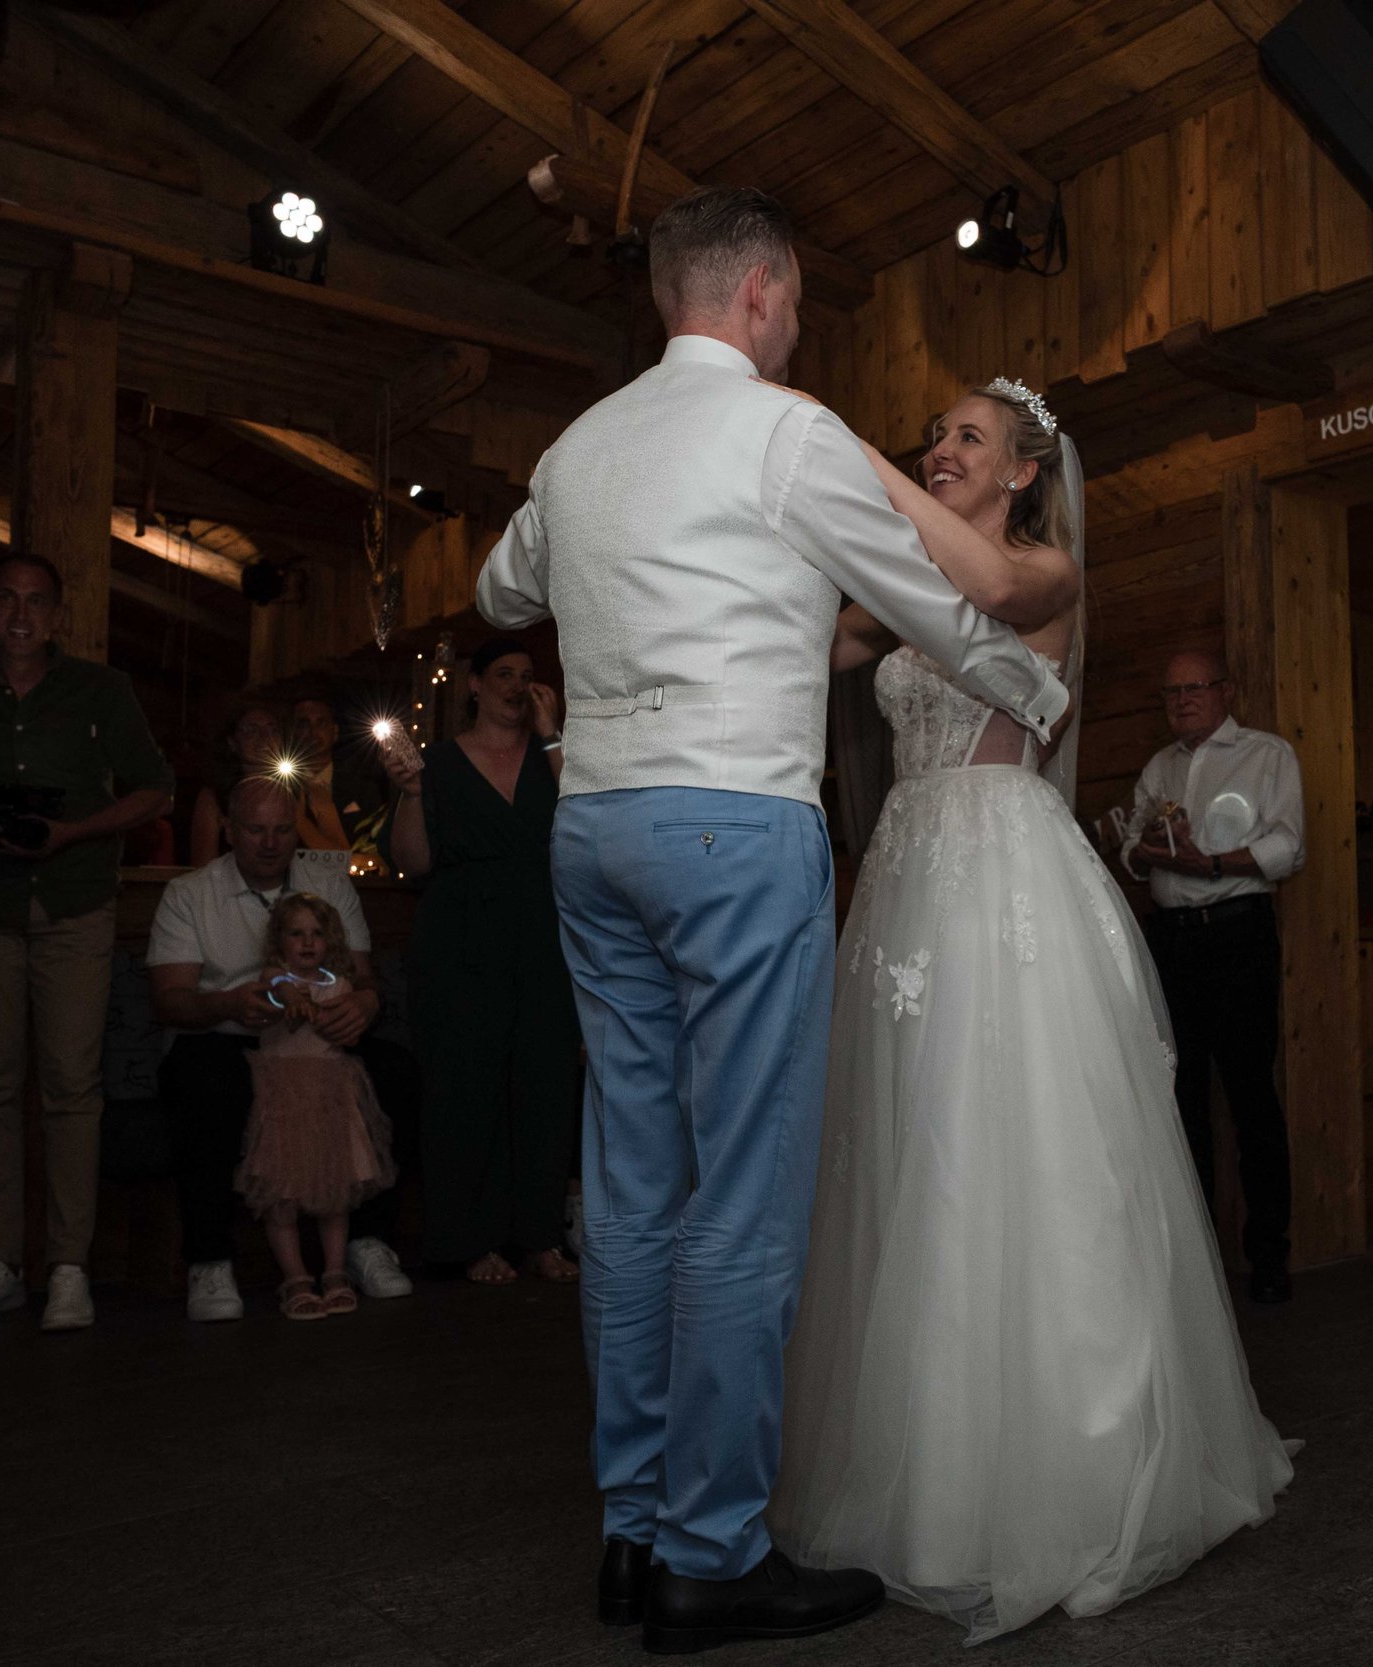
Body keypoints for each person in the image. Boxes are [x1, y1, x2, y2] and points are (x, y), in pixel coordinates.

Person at [473, 185, 1068, 1652]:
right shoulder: (783, 430)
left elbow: (501, 587)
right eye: (794, 301)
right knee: (743, 1191)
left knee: (627, 1185)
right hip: (733, 822)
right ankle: (713, 1553)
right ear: (757, 294)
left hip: (594, 827)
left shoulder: (580, 443)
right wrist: (1036, 689)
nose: (795, 323)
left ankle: (628, 1533)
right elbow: (928, 603)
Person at [770, 382, 1296, 1642]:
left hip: (1000, 871)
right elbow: (818, 643)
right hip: (902, 876)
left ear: (1017, 471)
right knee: (903, 1151)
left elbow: (992, 606)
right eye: (929, 436)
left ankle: (1061, 1465)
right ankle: (919, 1459)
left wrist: (861, 469)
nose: (936, 450)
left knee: (1005, 1143)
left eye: (962, 438)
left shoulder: (1044, 570)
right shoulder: (900, 576)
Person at [0, 554, 174, 1333]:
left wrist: (73, 833)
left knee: (71, 1089)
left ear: (56, 614)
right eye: (7, 600)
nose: (22, 614)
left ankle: (68, 1267)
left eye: (36, 601)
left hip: (75, 903)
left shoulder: (102, 690)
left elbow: (154, 787)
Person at [147, 774, 418, 1321]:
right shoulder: (190, 894)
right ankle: (211, 1259)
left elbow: (363, 979)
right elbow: (170, 1001)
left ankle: (368, 1242)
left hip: (317, 1037)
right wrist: (227, 1004)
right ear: (227, 830)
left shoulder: (329, 884)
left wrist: (362, 1006)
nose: (270, 843)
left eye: (281, 830)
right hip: (230, 1034)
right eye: (254, 830)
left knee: (395, 1071)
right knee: (203, 1079)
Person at [377, 637, 581, 1287]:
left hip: (543, 932)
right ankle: (469, 1240)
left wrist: (553, 736)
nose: (517, 685)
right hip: (460, 938)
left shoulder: (552, 756)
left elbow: (583, 817)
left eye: (527, 675)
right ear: (473, 683)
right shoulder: (437, 763)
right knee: (465, 1090)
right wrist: (410, 792)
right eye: (504, 674)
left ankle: (541, 1237)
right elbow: (412, 862)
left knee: (545, 1085)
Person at [1121, 649, 1308, 1306]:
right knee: (1183, 1101)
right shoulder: (1159, 766)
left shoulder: (1267, 755)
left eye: (1195, 687)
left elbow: (1289, 845)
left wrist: (1213, 863)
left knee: (1253, 1097)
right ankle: (1196, 1264)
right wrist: (1143, 852)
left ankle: (1269, 1259)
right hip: (1170, 943)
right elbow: (1132, 850)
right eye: (1171, 691)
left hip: (1237, 935)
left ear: (1225, 689)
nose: (1182, 700)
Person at [235, 892, 397, 1321]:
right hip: (285, 1101)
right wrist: (294, 1000)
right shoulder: (274, 979)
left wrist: (326, 1017)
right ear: (280, 941)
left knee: (334, 1195)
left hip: (331, 1102)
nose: (307, 943)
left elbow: (344, 1030)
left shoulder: (340, 986)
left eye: (317, 934)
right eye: (296, 934)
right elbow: (282, 992)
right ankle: (295, 1278)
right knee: (281, 1196)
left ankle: (335, 1272)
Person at [187, 698, 283, 866]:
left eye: (272, 730)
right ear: (232, 742)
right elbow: (203, 866)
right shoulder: (214, 797)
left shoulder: (294, 791)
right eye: (251, 731)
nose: (264, 737)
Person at [288, 694, 362, 852]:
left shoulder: (363, 788)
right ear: (294, 732)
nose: (313, 732)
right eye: (304, 724)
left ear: (335, 732)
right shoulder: (280, 786)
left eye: (321, 723)